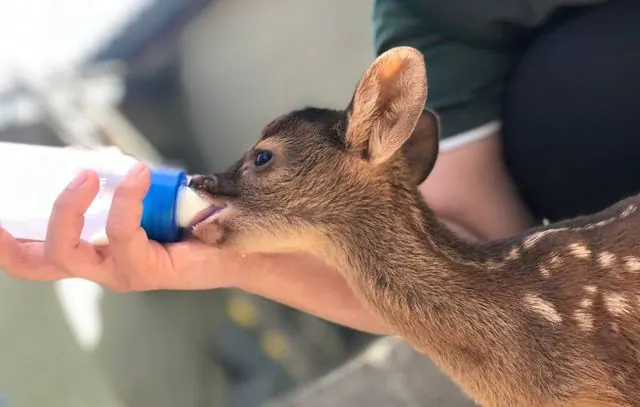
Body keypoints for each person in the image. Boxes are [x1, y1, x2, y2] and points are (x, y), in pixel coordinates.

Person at [1, 0, 639, 338]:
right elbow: (465, 248)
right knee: (568, 97)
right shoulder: (434, 14)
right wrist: (220, 257)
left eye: (262, 163)